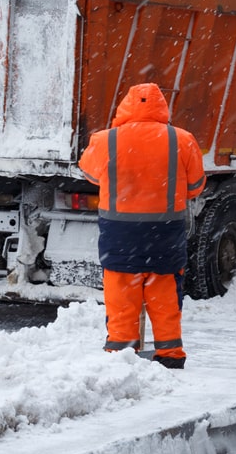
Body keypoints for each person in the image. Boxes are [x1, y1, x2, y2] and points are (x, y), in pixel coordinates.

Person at [79, 82, 206, 369]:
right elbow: (196, 186)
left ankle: (120, 356)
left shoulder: (105, 140)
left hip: (120, 234)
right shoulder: (182, 139)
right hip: (165, 234)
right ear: (162, 107)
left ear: (126, 106)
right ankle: (170, 355)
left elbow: (91, 175)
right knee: (165, 297)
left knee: (121, 297)